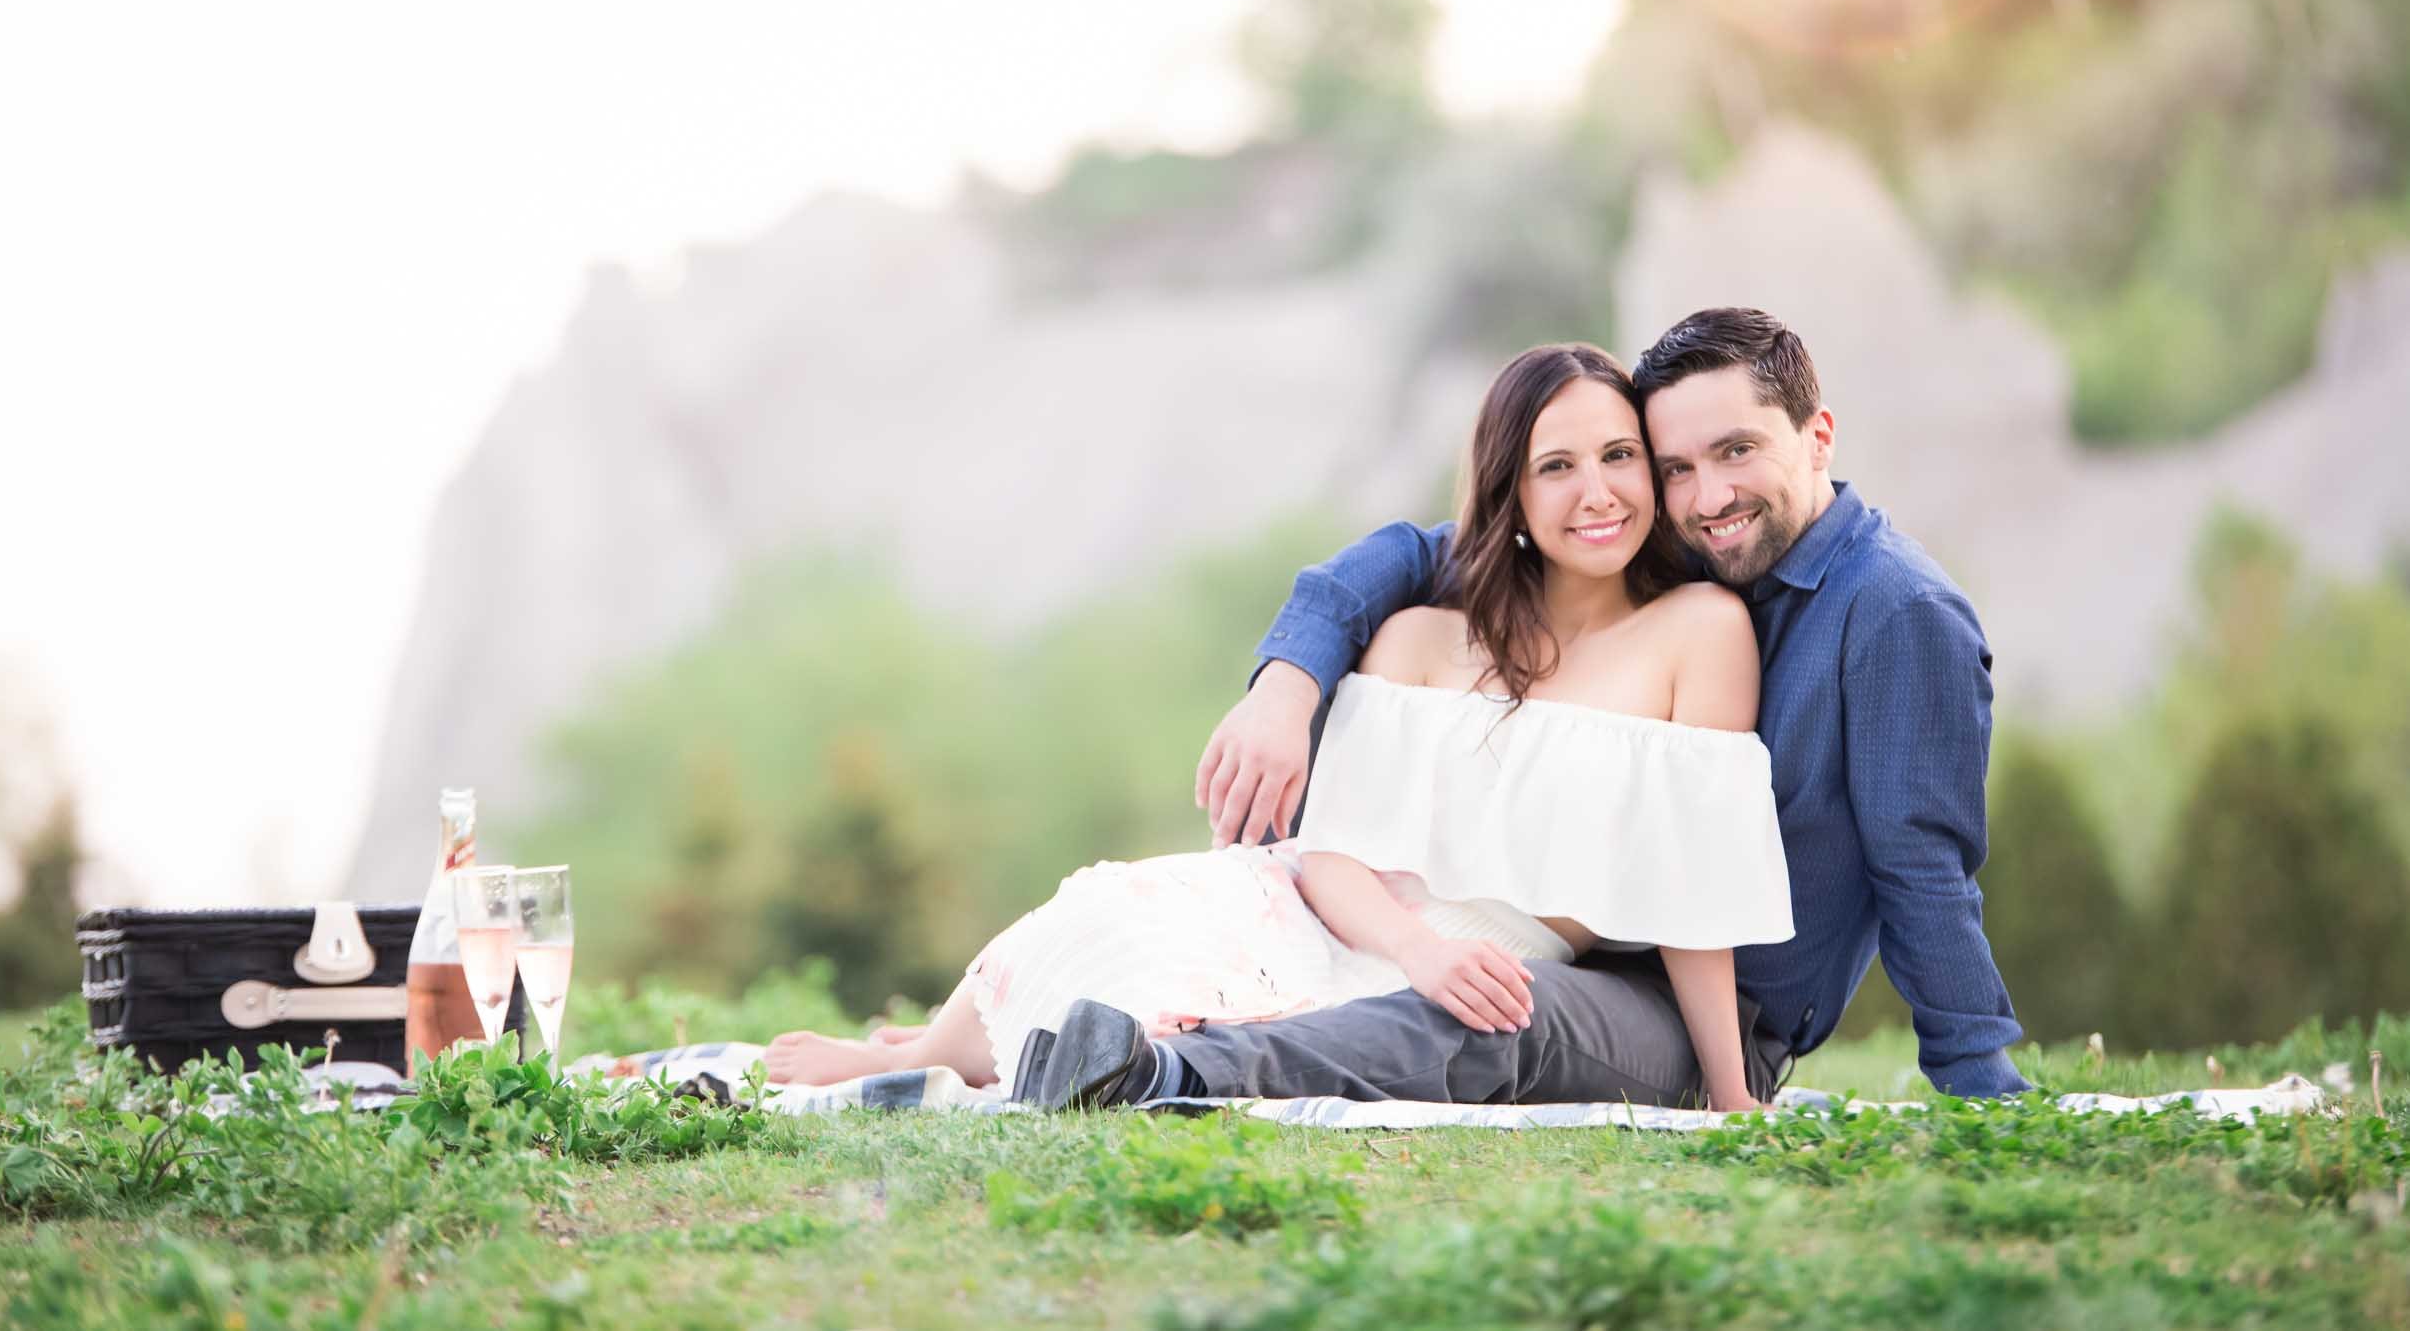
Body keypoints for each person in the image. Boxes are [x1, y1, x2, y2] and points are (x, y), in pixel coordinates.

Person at [763, 341, 1794, 1110]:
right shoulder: (1423, 639)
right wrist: (1414, 942)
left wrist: (1729, 1093)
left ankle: (1020, 1061)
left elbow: (1689, 883)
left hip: (1491, 958)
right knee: (1131, 901)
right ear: (1511, 493)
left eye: (1619, 455)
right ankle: (923, 1051)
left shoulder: (1697, 632)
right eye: (1555, 465)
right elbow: (1331, 854)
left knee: (1256, 1012)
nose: (1598, 491)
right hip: (1355, 917)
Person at [1077, 305, 2027, 1111]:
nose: (1707, 494)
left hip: (1697, 1003)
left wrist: (1977, 1080)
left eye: (1737, 451)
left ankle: (1169, 1073)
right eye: (1675, 466)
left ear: (1817, 436)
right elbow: (1419, 555)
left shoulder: (1897, 612)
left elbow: (1922, 867)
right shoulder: (1688, 536)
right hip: (1573, 941)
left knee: (1500, 1008)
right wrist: (1286, 682)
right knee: (1210, 915)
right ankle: (962, 1052)